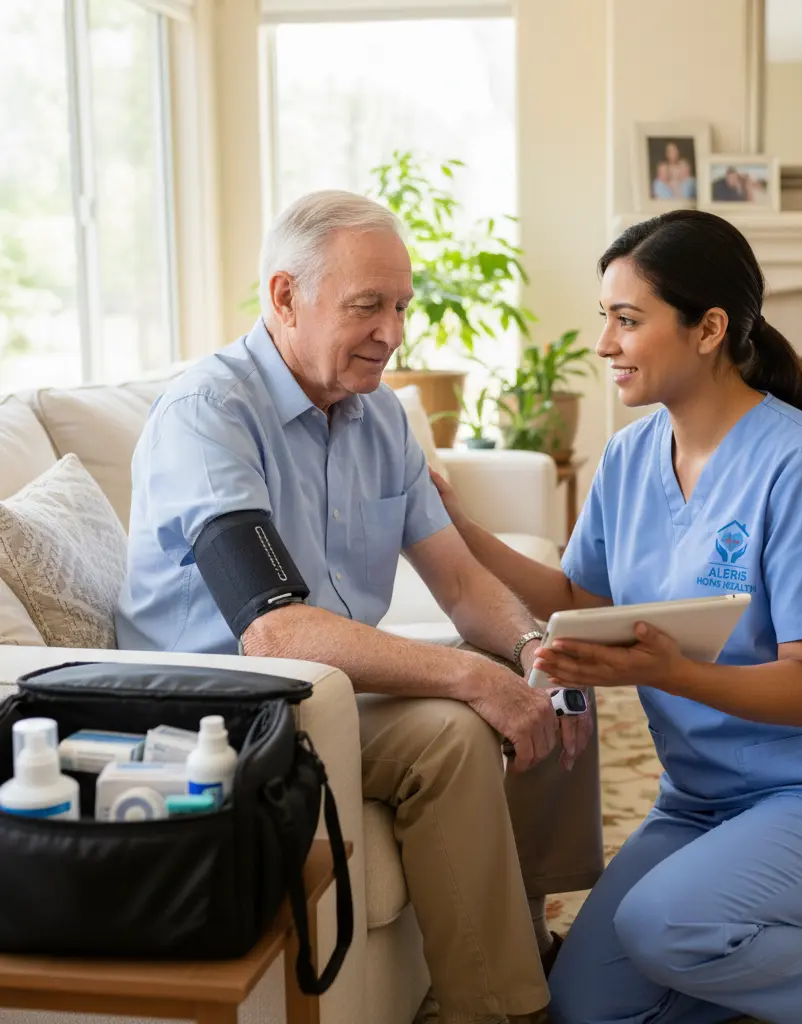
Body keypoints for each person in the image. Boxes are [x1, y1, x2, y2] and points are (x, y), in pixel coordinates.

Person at [430, 209, 802, 1024]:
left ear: (708, 329)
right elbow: (582, 601)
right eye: (605, 319)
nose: (605, 345)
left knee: (666, 929)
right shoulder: (630, 458)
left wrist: (669, 670)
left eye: (627, 321)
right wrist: (457, 529)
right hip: (700, 800)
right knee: (584, 1011)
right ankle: (758, 962)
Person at [115, 190, 605, 1024]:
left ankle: (530, 937)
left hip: (330, 681)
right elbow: (272, 628)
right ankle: (503, 1012)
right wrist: (468, 679)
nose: (392, 331)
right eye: (367, 305)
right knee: (454, 728)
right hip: (225, 699)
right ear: (284, 297)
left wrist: (528, 648)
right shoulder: (211, 416)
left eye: (401, 306)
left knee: (553, 673)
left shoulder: (380, 418)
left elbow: (455, 581)